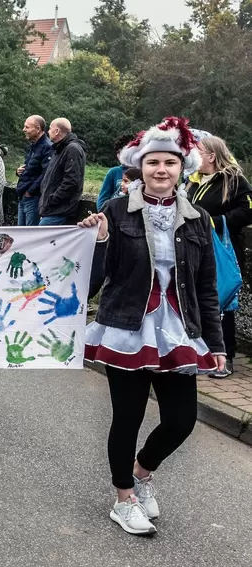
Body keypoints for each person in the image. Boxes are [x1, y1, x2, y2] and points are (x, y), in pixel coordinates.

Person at [80, 116, 225, 536]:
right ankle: (123, 498)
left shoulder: (198, 218)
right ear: (139, 167)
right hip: (127, 326)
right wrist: (101, 238)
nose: (161, 170)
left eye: (169, 163)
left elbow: (206, 287)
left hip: (180, 331)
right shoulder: (115, 209)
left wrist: (215, 342)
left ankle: (142, 472)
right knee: (128, 416)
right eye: (152, 163)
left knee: (182, 420)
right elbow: (98, 275)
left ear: (183, 168)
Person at [185, 135, 252, 378]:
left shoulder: (234, 180)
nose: (193, 156)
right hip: (195, 249)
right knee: (194, 298)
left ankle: (226, 356)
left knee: (221, 301)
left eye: (198, 152)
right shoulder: (192, 181)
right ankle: (199, 352)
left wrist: (214, 222)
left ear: (212, 156)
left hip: (223, 251)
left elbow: (247, 211)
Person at [39, 117, 86, 226]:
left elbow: (72, 181)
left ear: (57, 132)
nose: (48, 131)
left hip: (59, 211)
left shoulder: (72, 149)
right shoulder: (59, 149)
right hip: (51, 210)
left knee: (41, 241)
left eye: (50, 128)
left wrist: (52, 199)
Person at [15, 115, 52, 226]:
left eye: (27, 127)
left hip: (33, 198)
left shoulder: (47, 147)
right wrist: (18, 172)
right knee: (20, 234)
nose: (24, 130)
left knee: (30, 235)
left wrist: (30, 191)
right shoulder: (33, 145)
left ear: (38, 129)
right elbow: (32, 168)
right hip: (23, 196)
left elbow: (46, 174)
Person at [96, 134, 136, 211]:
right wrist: (104, 215)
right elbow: (102, 199)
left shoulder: (143, 173)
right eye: (119, 153)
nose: (120, 156)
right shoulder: (113, 172)